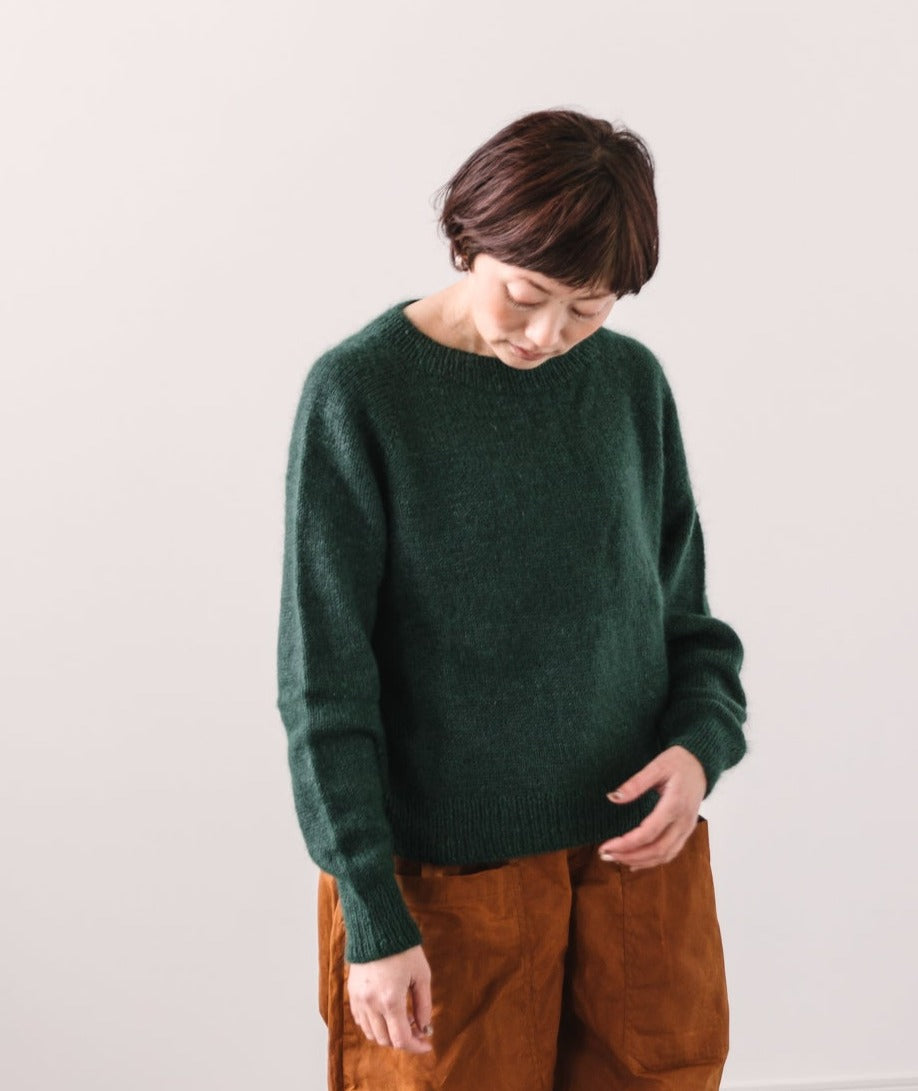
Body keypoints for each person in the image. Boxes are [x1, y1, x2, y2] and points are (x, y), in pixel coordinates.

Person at [276, 107, 749, 1090]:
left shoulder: (629, 385)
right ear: (469, 239)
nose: (546, 335)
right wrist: (371, 913)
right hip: (448, 889)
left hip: (633, 873)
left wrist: (701, 746)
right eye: (525, 295)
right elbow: (323, 683)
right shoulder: (361, 393)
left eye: (587, 310)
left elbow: (686, 617)